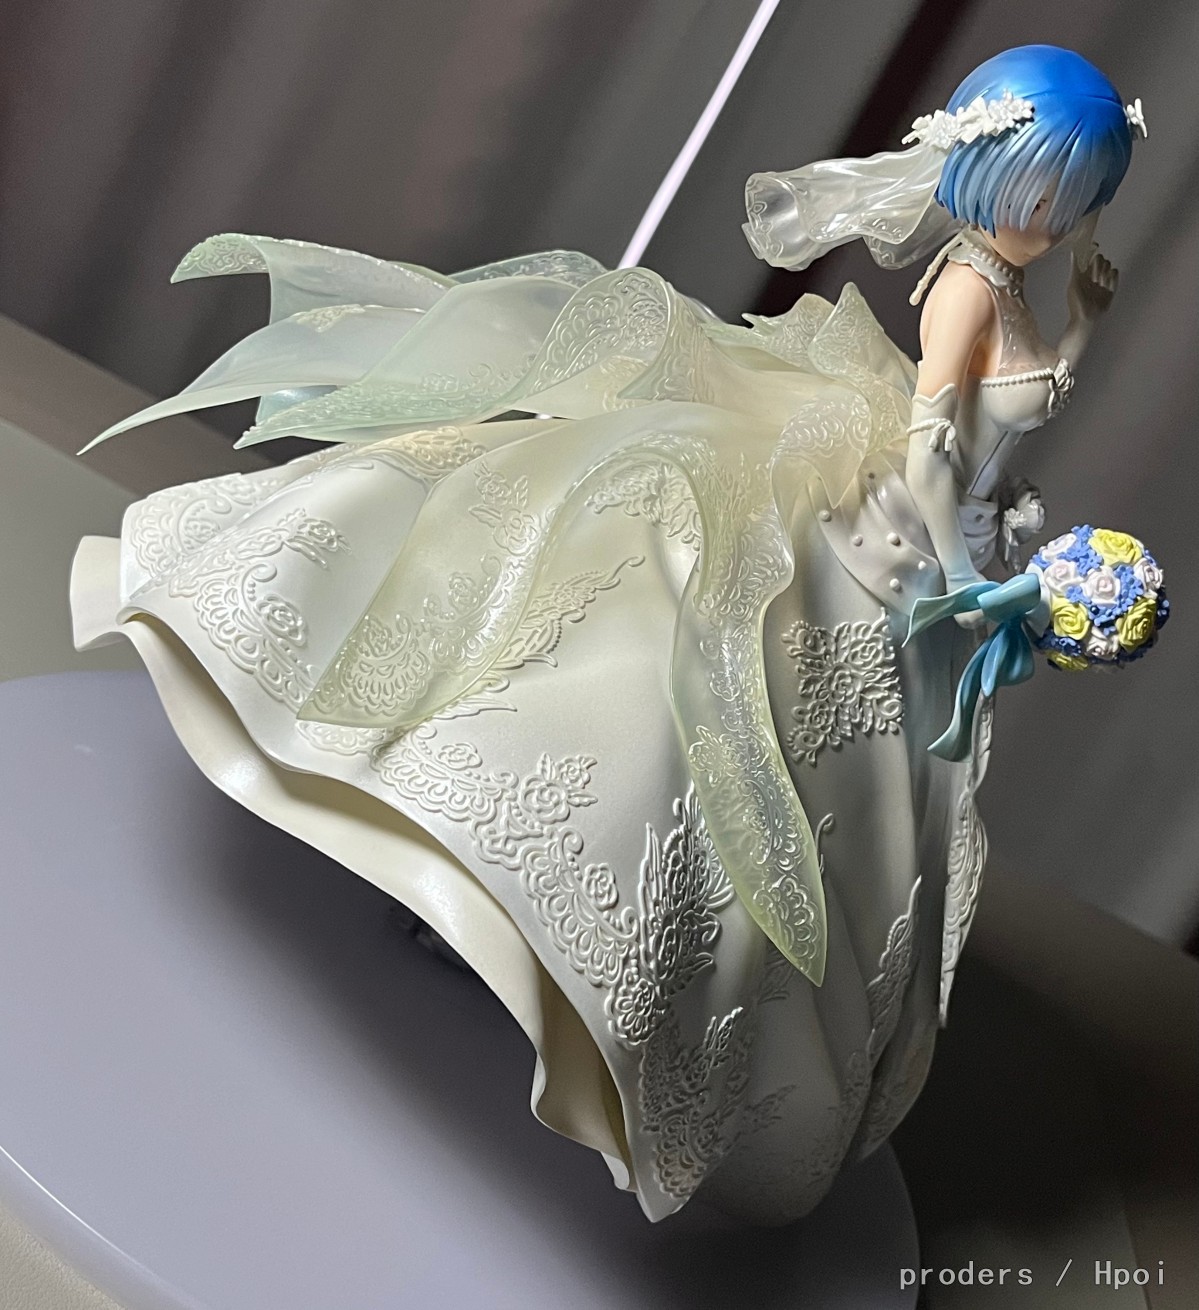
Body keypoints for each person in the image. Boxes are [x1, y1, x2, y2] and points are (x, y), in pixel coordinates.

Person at [72, 44, 1143, 1223]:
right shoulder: (964, 290)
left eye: (1073, 200)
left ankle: (619, 987)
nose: (1055, 221)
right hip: (900, 542)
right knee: (690, 720)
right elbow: (932, 462)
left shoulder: (1012, 288)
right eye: (1043, 194)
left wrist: (1077, 327)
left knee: (816, 794)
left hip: (938, 551)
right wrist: (970, 581)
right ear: (991, 173)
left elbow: (994, 422)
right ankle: (506, 903)